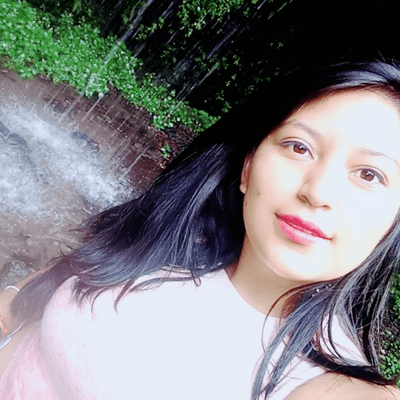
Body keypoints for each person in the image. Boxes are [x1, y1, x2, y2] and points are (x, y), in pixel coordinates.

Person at [1, 59, 400, 400]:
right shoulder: (180, 233)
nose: (317, 191)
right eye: (299, 147)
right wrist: (15, 296)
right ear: (248, 168)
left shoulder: (332, 385)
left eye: (369, 174)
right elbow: (84, 267)